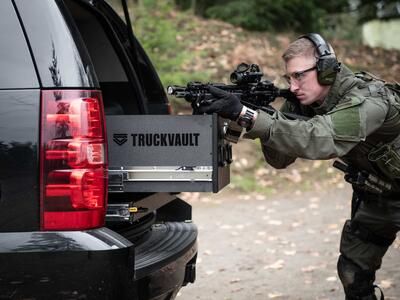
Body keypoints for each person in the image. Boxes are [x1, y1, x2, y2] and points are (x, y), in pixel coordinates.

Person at [198, 33, 400, 300]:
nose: (293, 87)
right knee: (353, 272)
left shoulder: (368, 99)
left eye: (299, 76)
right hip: (379, 195)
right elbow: (280, 160)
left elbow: (322, 139)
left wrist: (249, 116)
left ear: (327, 71)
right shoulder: (307, 103)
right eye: (289, 78)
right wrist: (261, 112)